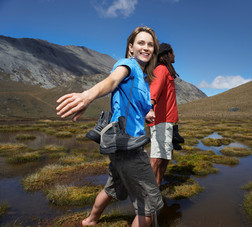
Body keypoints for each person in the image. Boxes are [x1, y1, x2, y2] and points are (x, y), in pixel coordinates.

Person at [56, 26, 163, 227]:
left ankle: (90, 220)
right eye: (141, 43)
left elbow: (131, 104)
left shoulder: (142, 76)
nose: (146, 48)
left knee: (112, 187)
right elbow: (112, 81)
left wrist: (146, 113)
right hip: (130, 146)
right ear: (131, 47)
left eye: (150, 45)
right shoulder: (127, 65)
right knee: (149, 205)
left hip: (119, 146)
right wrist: (87, 95)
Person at [145, 43, 179, 187]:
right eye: (173, 52)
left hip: (167, 120)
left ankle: (157, 186)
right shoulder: (161, 70)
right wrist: (150, 107)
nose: (175, 55)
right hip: (160, 121)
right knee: (157, 158)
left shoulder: (166, 71)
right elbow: (154, 91)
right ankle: (149, 193)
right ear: (167, 54)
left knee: (165, 157)